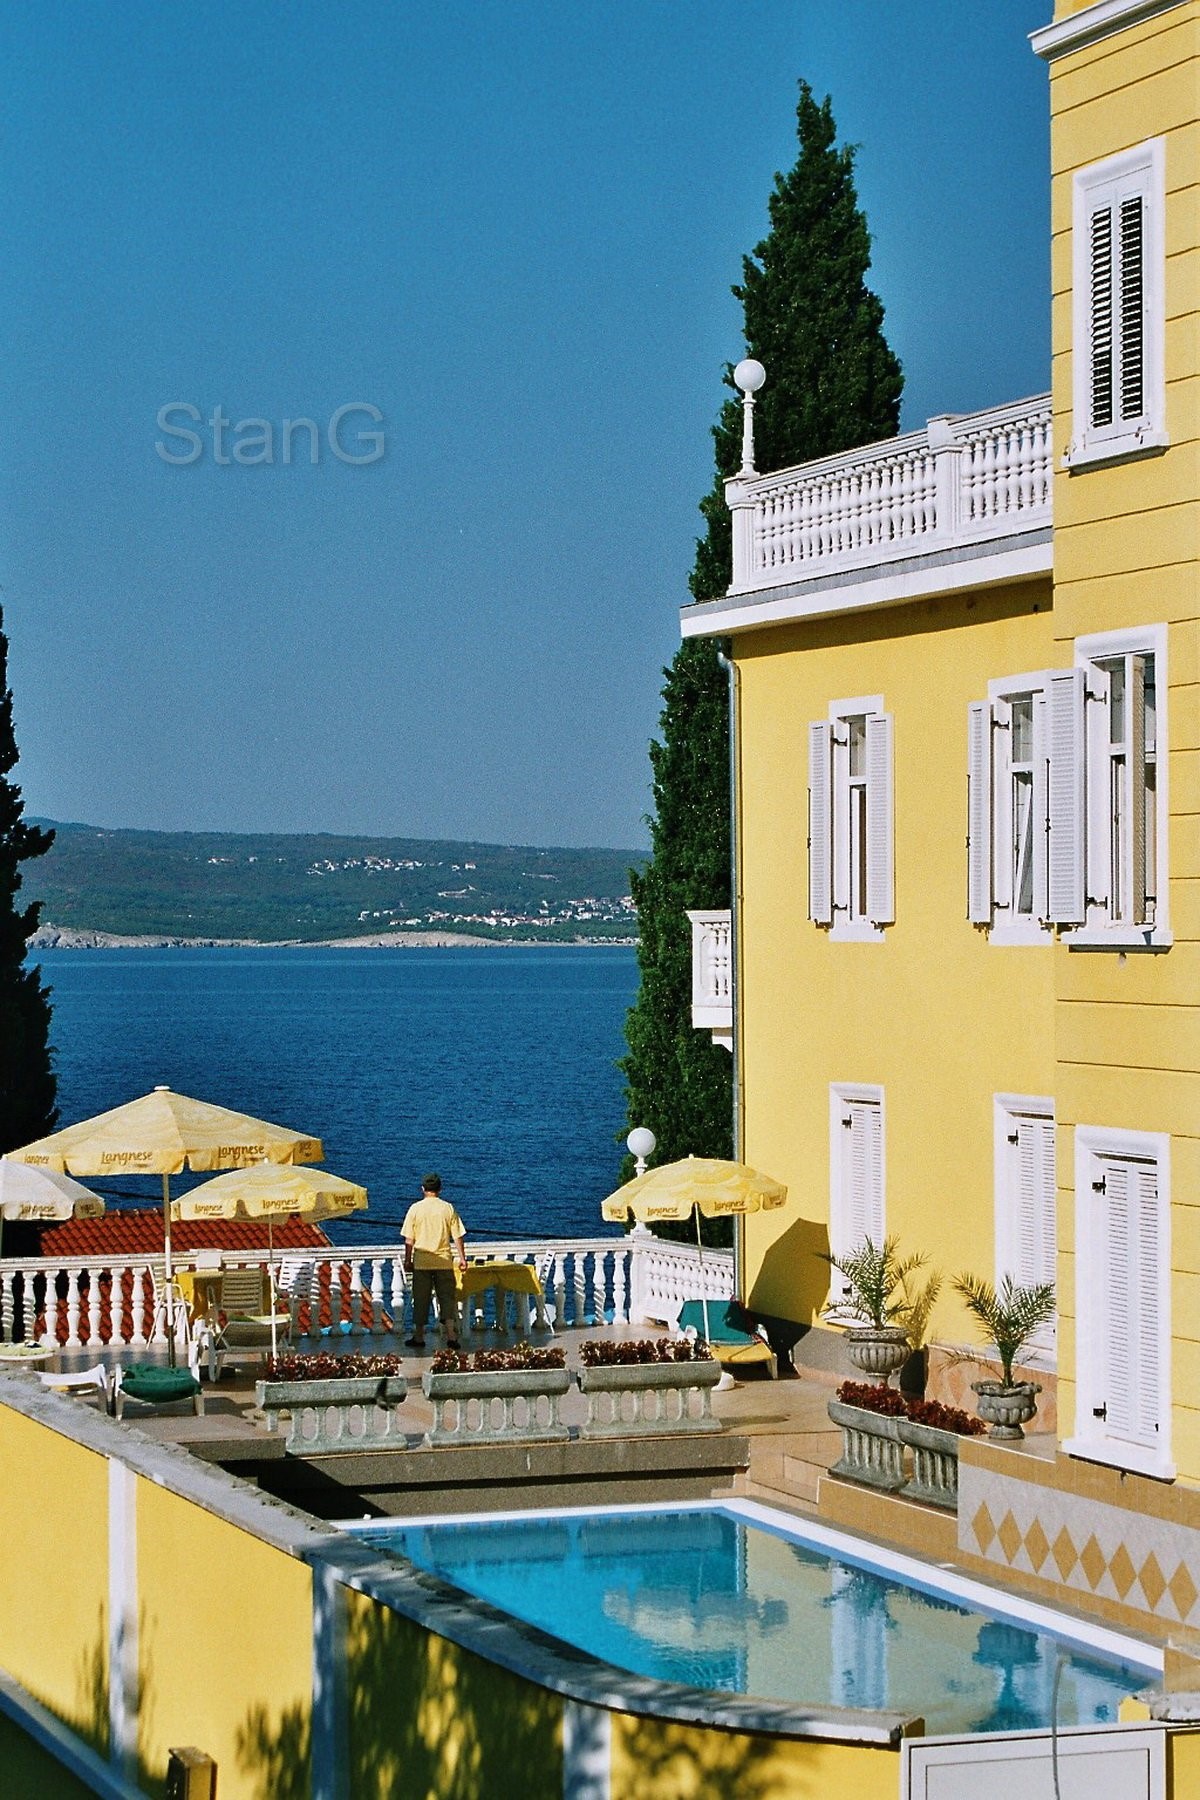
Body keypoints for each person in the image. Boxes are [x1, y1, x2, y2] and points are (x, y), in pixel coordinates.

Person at [401, 1173, 468, 1350]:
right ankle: (451, 1336)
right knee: (447, 1299)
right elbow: (458, 1236)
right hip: (444, 1261)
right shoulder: (448, 1208)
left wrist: (408, 1260)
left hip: (422, 1262)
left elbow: (409, 1240)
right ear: (440, 1189)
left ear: (423, 1189)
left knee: (421, 1299)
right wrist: (462, 1258)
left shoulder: (415, 1209)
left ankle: (419, 1336)